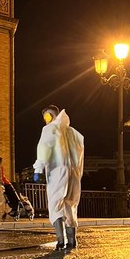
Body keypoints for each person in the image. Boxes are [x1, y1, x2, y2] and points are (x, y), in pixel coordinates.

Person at [33, 105, 84, 250]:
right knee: (71, 204)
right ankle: (72, 241)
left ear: (49, 115)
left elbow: (44, 147)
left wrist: (38, 168)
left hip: (57, 171)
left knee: (56, 203)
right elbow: (80, 155)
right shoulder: (73, 133)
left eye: (45, 117)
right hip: (73, 173)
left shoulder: (50, 128)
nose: (44, 120)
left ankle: (61, 240)